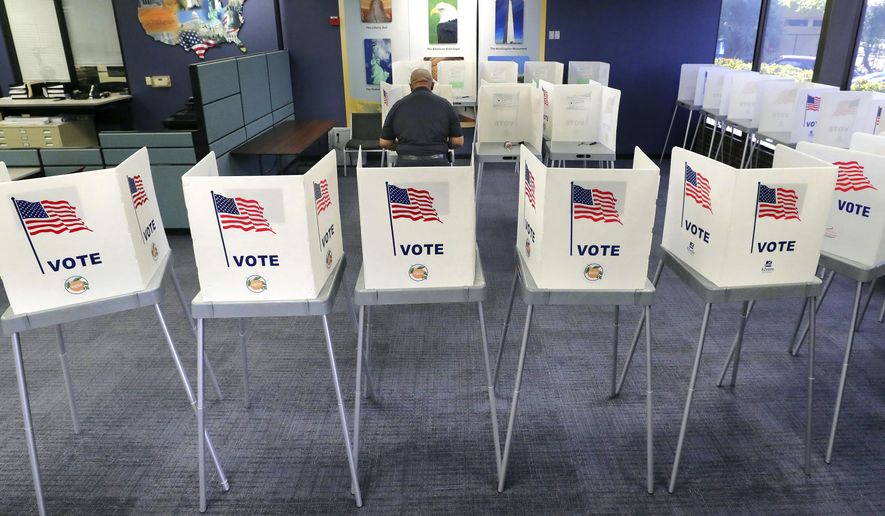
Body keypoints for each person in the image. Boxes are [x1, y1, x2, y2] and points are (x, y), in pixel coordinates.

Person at [380, 68, 464, 167]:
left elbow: (384, 143)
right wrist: (443, 146)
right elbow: (458, 142)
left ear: (410, 86)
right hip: (438, 165)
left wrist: (403, 147)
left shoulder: (398, 106)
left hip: (406, 165)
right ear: (432, 85)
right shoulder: (446, 105)